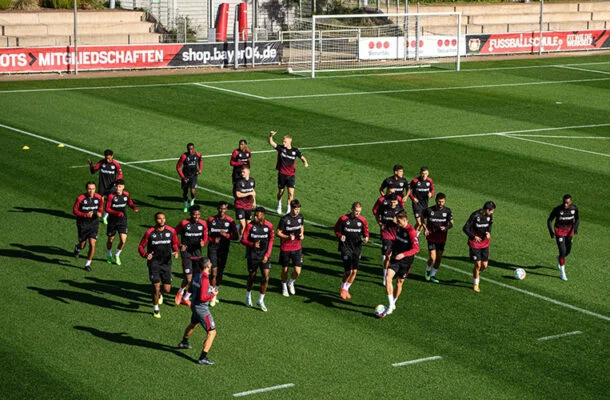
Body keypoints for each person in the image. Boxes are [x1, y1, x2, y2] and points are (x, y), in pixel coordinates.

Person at [138, 212, 180, 318]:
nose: (162, 221)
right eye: (159, 219)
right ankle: (156, 308)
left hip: (166, 263)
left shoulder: (171, 231)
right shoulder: (150, 233)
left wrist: (175, 251)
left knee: (167, 289)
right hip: (154, 264)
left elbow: (175, 243)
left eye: (163, 218)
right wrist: (145, 254)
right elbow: (141, 247)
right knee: (156, 286)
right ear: (155, 220)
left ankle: (160, 293)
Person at [177, 257, 218, 365]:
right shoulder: (204, 279)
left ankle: (184, 342)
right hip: (202, 309)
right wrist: (213, 294)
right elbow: (203, 298)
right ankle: (202, 357)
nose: (211, 264)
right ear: (207, 266)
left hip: (194, 305)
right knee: (212, 332)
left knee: (193, 324)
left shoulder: (196, 275)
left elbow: (190, 289)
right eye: (210, 263)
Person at [385, 211, 419, 315]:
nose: (397, 224)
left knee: (399, 283)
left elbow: (416, 248)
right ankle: (390, 305)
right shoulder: (399, 228)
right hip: (395, 258)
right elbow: (396, 241)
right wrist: (390, 250)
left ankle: (393, 302)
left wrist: (404, 254)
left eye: (399, 222)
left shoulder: (411, 231)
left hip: (406, 261)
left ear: (405, 220)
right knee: (388, 278)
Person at [241, 207, 274, 312]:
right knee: (252, 276)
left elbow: (271, 240)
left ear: (263, 216)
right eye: (254, 215)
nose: (255, 217)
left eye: (257, 215)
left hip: (264, 256)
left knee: (266, 278)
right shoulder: (250, 226)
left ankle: (260, 300)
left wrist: (267, 255)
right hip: (252, 255)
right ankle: (248, 295)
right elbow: (243, 240)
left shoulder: (269, 226)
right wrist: (252, 244)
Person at [334, 202, 370, 300]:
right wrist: (340, 236)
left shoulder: (362, 220)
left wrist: (366, 238)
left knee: (354, 271)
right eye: (356, 211)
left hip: (357, 248)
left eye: (359, 211)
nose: (357, 213)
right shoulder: (343, 219)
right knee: (348, 271)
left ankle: (346, 289)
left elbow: (366, 233)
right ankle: (342, 288)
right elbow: (336, 229)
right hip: (345, 247)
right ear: (352, 209)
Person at [175, 205, 209, 308]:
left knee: (195, 278)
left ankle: (186, 298)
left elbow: (205, 237)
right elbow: (174, 234)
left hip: (197, 254)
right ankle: (180, 292)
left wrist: (204, 242)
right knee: (189, 278)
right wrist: (179, 245)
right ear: (190, 214)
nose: (196, 216)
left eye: (198, 214)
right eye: (194, 214)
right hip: (186, 253)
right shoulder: (184, 223)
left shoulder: (203, 224)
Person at [268, 130, 309, 215]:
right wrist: (270, 136)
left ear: (290, 142)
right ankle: (279, 204)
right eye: (283, 141)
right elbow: (271, 143)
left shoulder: (295, 150)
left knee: (290, 194)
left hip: (291, 175)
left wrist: (305, 162)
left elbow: (301, 157)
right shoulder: (281, 148)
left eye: (285, 142)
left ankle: (288, 209)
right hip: (282, 174)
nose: (283, 143)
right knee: (281, 192)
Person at [206, 201, 239, 306]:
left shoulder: (230, 221)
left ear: (227, 210)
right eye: (220, 208)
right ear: (217, 209)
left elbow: (236, 237)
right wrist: (212, 239)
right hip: (212, 248)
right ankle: (211, 293)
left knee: (220, 272)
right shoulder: (211, 220)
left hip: (224, 249)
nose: (222, 211)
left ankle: (215, 291)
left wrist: (227, 235)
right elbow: (205, 234)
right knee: (213, 271)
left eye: (224, 209)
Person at [462, 201, 496, 293]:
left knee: (484, 265)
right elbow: (465, 228)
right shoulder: (475, 215)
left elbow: (489, 225)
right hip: (475, 243)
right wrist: (473, 237)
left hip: (485, 243)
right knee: (477, 264)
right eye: (492, 211)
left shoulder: (489, 216)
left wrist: (489, 232)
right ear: (487, 210)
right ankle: (475, 284)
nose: (492, 212)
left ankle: (476, 273)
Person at [371, 192, 404, 285]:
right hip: (387, 234)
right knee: (388, 256)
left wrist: (397, 222)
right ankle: (385, 276)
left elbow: (404, 221)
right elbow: (377, 214)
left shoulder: (400, 210)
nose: (393, 204)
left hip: (397, 236)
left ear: (397, 202)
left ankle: (393, 271)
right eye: (391, 202)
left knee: (396, 257)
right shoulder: (384, 208)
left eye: (394, 202)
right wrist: (380, 223)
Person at [104, 179, 139, 266]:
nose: (118, 188)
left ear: (123, 187)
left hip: (122, 221)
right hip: (112, 221)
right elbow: (107, 209)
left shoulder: (126, 195)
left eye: (119, 187)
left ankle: (117, 255)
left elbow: (130, 203)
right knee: (110, 239)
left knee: (123, 241)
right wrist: (117, 213)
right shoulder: (111, 196)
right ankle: (109, 254)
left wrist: (134, 207)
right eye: (116, 186)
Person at [422, 193, 453, 283]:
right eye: (439, 201)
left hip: (442, 238)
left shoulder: (447, 211)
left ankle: (433, 275)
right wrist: (425, 229)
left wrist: (446, 228)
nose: (440, 203)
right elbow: (422, 218)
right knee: (432, 258)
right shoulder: (429, 210)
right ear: (436, 200)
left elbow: (451, 223)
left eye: (442, 201)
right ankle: (428, 270)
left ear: (444, 201)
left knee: (438, 258)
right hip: (431, 237)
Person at [73, 181, 104, 272]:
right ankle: (77, 248)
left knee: (92, 244)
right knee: (82, 244)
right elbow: (75, 211)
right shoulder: (80, 198)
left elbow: (100, 208)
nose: (91, 191)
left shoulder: (99, 197)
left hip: (94, 224)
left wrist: (99, 213)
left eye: (93, 189)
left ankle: (87, 264)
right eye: (89, 189)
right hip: (82, 224)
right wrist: (85, 215)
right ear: (86, 189)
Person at [547, 194, 579, 281]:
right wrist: (551, 232)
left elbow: (577, 219)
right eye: (564, 202)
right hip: (559, 231)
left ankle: (559, 258)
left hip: (569, 232)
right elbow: (549, 220)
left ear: (570, 202)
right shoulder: (557, 209)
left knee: (567, 252)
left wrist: (575, 229)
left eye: (567, 203)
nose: (565, 204)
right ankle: (562, 273)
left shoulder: (574, 208)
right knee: (562, 251)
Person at [276, 199, 304, 297]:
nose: (297, 211)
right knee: (285, 270)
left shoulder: (300, 217)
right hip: (286, 248)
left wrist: (302, 234)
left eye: (298, 209)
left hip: (297, 247)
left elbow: (301, 226)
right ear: (291, 208)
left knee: (297, 271)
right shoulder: (284, 219)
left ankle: (290, 282)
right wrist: (287, 237)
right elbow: (278, 233)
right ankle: (284, 286)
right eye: (295, 209)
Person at [88, 149, 122, 224]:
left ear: (112, 156)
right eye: (106, 158)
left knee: (110, 203)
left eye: (109, 158)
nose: (107, 160)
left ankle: (105, 217)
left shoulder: (116, 164)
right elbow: (93, 171)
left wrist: (116, 182)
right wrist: (91, 165)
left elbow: (120, 175)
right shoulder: (101, 162)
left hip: (111, 187)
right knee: (100, 202)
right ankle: (95, 216)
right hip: (102, 186)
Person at [176, 143, 203, 213]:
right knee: (185, 192)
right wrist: (183, 177)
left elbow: (200, 161)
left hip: (194, 175)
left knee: (192, 191)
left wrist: (200, 169)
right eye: (188, 149)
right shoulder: (183, 156)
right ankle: (186, 205)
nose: (190, 151)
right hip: (185, 176)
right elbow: (178, 167)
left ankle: (192, 199)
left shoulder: (198, 155)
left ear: (194, 148)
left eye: (191, 149)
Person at [409, 166, 434, 235]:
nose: (424, 175)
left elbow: (432, 190)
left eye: (425, 173)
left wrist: (431, 194)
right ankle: (412, 236)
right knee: (419, 222)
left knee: (421, 223)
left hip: (425, 204)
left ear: (428, 173)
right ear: (420, 173)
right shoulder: (415, 181)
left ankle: (414, 236)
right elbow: (408, 190)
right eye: (422, 173)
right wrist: (413, 198)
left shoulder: (430, 181)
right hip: (416, 204)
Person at [233, 164, 256, 237]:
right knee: (243, 225)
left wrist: (254, 201)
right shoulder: (239, 182)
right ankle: (241, 238)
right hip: (239, 205)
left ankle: (241, 231)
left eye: (244, 172)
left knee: (248, 225)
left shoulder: (252, 180)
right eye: (241, 172)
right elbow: (238, 194)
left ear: (248, 171)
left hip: (248, 206)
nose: (242, 173)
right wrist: (249, 193)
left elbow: (253, 191)